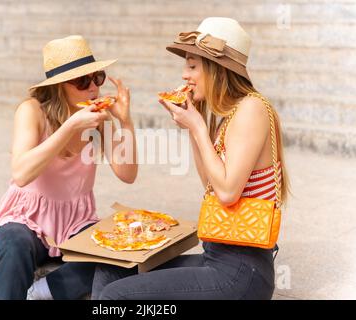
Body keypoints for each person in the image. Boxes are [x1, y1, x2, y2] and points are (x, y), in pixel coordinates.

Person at [92, 17, 290, 300]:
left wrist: (197, 126)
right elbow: (210, 184)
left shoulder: (252, 109)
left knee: (116, 297)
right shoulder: (230, 116)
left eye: (192, 65)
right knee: (113, 269)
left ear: (217, 68)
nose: (184, 74)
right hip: (216, 260)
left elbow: (227, 192)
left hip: (241, 273)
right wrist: (192, 128)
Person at [0, 35, 138, 300]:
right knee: (14, 245)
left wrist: (125, 122)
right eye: (82, 81)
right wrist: (70, 127)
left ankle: (44, 292)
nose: (93, 88)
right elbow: (20, 174)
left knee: (119, 252)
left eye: (97, 77)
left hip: (76, 220)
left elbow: (128, 174)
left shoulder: (98, 117)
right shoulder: (31, 111)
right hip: (27, 217)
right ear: (59, 86)